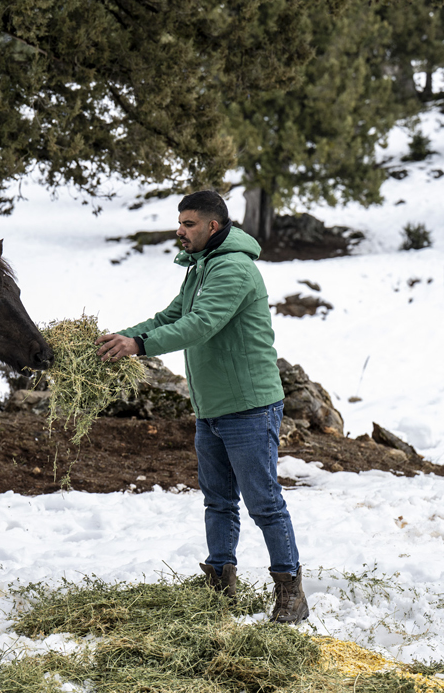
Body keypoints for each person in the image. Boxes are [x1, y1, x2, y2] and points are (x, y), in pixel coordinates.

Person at [96, 190, 308, 623]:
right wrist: (122, 337)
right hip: (212, 407)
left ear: (213, 226)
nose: (180, 231)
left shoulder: (233, 268)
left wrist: (138, 346)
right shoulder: (202, 267)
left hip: (248, 406)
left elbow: (200, 324)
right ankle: (219, 583)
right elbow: (169, 317)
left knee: (264, 501)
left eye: (188, 224)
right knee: (218, 500)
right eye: (180, 222)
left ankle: (291, 592)